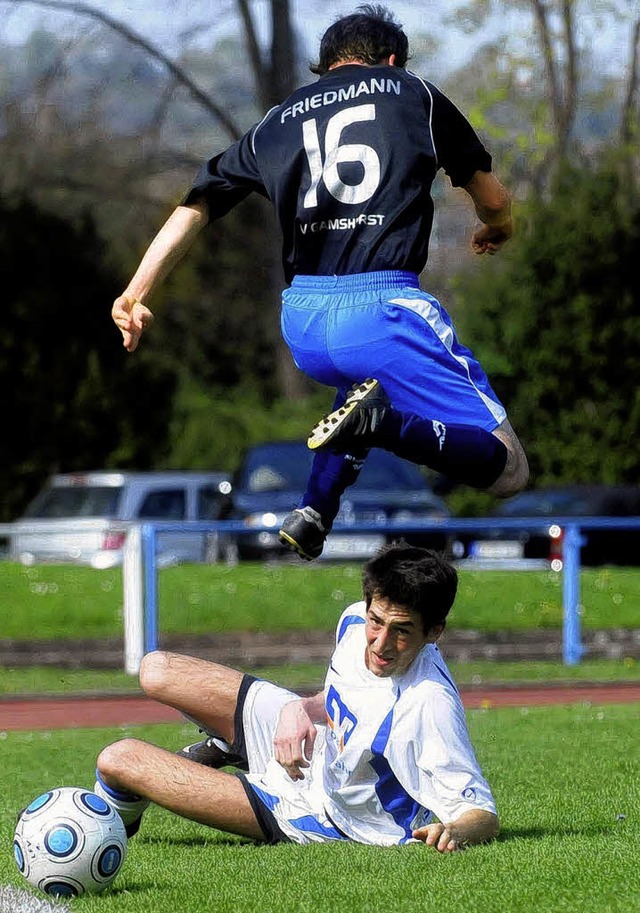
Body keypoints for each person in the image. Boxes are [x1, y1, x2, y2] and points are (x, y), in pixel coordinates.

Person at [111, 5, 529, 562]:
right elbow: (493, 198)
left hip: (304, 320)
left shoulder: (278, 121)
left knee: (361, 385)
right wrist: (497, 226)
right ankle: (383, 427)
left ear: (325, 64)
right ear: (393, 59)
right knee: (509, 469)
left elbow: (198, 201)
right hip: (385, 308)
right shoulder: (412, 92)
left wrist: (136, 292)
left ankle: (314, 511)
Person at [94, 543, 499, 851]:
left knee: (118, 759)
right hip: (314, 749)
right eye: (377, 621)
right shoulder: (354, 620)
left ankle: (106, 826)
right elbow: (347, 696)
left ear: (434, 633)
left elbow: (482, 813)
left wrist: (454, 831)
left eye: (403, 630)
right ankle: (233, 746)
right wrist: (299, 707)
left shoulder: (429, 703)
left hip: (320, 813)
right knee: (157, 669)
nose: (381, 642)